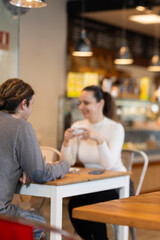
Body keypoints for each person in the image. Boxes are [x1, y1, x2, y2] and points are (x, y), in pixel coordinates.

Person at [0, 78, 70, 240]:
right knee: (39, 222)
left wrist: (22, 165)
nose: (32, 109)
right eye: (32, 104)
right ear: (24, 104)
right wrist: (65, 164)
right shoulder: (20, 127)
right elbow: (41, 173)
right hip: (1, 216)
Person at [61, 85, 127, 240]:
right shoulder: (78, 126)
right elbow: (67, 162)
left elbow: (108, 166)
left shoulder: (115, 128)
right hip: (90, 183)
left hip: (117, 183)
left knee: (92, 204)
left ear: (100, 103)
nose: (82, 107)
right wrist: (66, 142)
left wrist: (99, 139)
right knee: (74, 204)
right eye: (80, 102)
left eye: (86, 103)